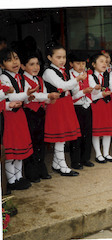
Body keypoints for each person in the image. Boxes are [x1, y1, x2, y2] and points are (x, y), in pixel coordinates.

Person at [42, 41, 85, 176]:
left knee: (64, 137)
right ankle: (63, 167)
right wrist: (77, 79)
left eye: (64, 57)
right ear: (49, 58)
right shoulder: (49, 72)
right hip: (57, 106)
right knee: (60, 138)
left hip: (65, 104)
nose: (62, 60)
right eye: (58, 57)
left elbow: (70, 87)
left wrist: (76, 82)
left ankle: (56, 163)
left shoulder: (63, 71)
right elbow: (62, 86)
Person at [0, 47, 38, 190]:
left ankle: (19, 177)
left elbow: (24, 96)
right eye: (9, 60)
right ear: (2, 65)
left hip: (19, 116)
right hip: (9, 117)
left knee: (20, 148)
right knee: (11, 149)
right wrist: (26, 95)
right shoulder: (4, 78)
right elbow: (11, 96)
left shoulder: (20, 77)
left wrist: (29, 95)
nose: (14, 62)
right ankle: (11, 180)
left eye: (16, 58)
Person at [21, 51, 59, 182]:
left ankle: (41, 168)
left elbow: (43, 95)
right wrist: (48, 96)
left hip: (40, 113)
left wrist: (49, 100)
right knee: (31, 142)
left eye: (37, 64)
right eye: (31, 64)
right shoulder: (22, 80)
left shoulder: (39, 79)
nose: (36, 67)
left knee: (40, 142)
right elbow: (32, 97)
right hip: (29, 114)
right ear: (23, 66)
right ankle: (31, 172)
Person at [68, 51, 95, 169]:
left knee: (87, 133)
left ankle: (85, 158)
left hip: (87, 106)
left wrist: (96, 89)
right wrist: (83, 92)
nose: (81, 66)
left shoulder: (88, 74)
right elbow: (72, 96)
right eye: (78, 63)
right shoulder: (69, 76)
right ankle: (75, 161)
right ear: (71, 64)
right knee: (76, 135)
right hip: (76, 107)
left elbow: (94, 90)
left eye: (83, 63)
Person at [88, 53, 112, 163]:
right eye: (101, 61)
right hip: (96, 105)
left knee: (107, 130)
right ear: (94, 64)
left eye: (105, 61)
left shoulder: (108, 75)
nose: (104, 64)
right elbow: (92, 94)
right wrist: (100, 93)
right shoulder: (90, 77)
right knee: (97, 130)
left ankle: (106, 153)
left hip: (107, 105)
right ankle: (98, 154)